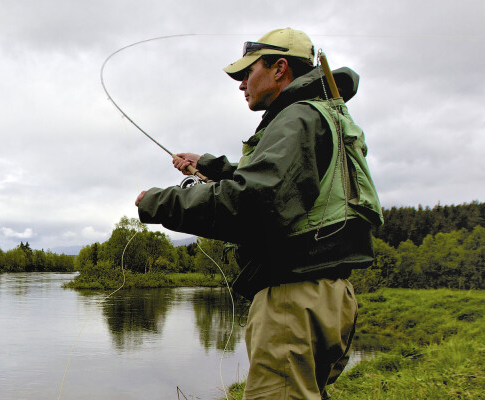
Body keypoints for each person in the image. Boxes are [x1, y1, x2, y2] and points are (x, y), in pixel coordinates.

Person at [134, 28, 383, 399]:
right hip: (328, 295)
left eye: (247, 73)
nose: (241, 85)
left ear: (280, 68)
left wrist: (159, 202)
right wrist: (211, 166)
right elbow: (285, 187)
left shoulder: (296, 117)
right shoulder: (321, 114)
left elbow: (255, 203)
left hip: (293, 298)